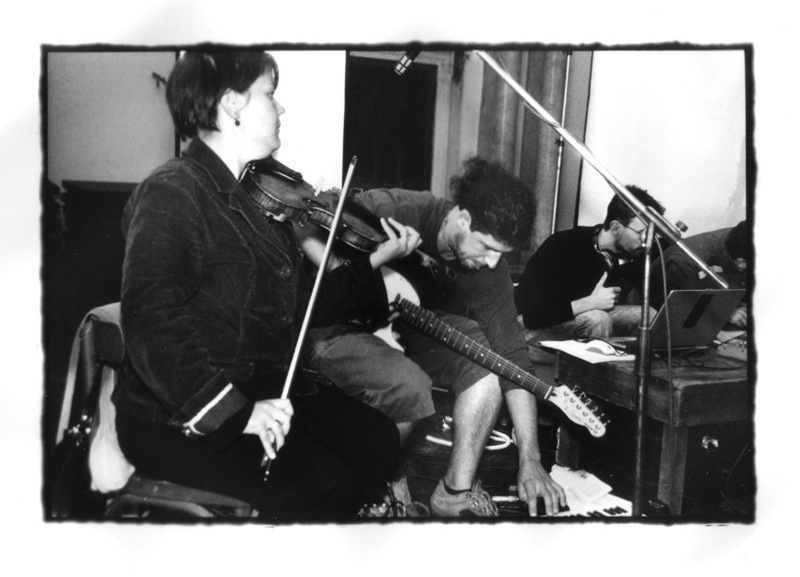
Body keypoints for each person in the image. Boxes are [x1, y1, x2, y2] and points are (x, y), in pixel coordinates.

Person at [113, 50, 421, 521]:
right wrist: (237, 414)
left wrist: (370, 272)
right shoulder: (173, 190)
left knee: (376, 442)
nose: (281, 108)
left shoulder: (250, 201)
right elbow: (152, 325)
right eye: (270, 94)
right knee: (326, 486)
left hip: (259, 386)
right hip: (177, 414)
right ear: (233, 103)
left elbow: (301, 307)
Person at [306, 157, 567, 517]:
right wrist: (358, 277)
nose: (493, 262)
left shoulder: (491, 270)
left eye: (502, 253)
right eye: (487, 247)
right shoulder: (398, 209)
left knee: (484, 357)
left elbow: (512, 353)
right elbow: (307, 225)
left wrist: (531, 459)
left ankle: (454, 493)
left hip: (401, 328)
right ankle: (380, 486)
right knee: (404, 381)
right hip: (337, 324)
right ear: (464, 219)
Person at [515, 185, 665, 359]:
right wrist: (591, 302)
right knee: (598, 319)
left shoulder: (630, 253)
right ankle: (590, 375)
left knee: (648, 316)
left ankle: (629, 373)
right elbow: (534, 315)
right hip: (529, 328)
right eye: (642, 233)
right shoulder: (563, 245)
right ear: (616, 228)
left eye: (651, 234)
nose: (646, 242)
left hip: (579, 319)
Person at [650, 220, 749, 328]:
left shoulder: (746, 238)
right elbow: (686, 315)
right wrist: (726, 312)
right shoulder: (685, 263)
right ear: (741, 263)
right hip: (666, 315)